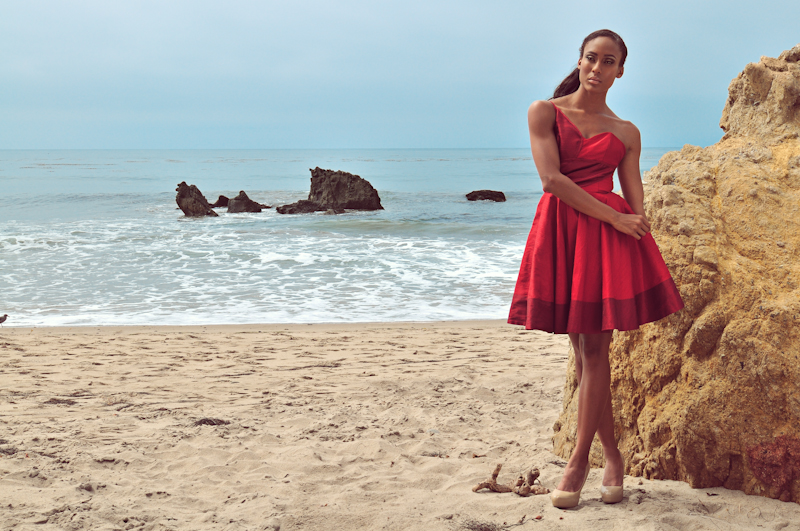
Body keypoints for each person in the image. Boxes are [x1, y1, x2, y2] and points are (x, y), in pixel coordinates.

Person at [507, 29, 684, 509]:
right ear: (579, 61)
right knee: (584, 353)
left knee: (594, 348)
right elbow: (552, 181)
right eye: (591, 58)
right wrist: (616, 216)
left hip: (606, 242)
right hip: (565, 230)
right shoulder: (544, 112)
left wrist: (638, 223)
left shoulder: (627, 131)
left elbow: (634, 190)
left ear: (620, 71)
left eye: (609, 62)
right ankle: (614, 456)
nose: (598, 68)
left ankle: (578, 462)